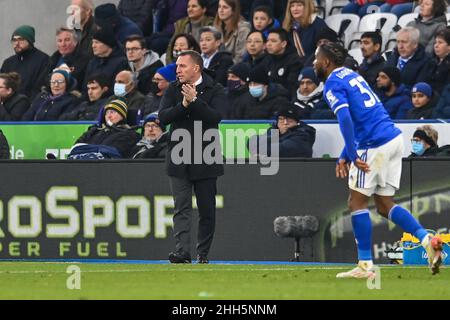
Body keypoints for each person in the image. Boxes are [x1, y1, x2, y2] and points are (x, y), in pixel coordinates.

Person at [313, 42, 443, 277]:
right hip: (392, 138)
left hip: (374, 146)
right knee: (384, 205)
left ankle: (365, 266)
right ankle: (426, 240)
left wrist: (352, 155)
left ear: (326, 62)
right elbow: (364, 115)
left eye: (316, 59)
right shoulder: (352, 75)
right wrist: (345, 153)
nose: (314, 63)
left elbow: (345, 119)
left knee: (356, 203)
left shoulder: (332, 83)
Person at [159, 50, 226, 264]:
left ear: (196, 68)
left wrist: (195, 101)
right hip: (179, 156)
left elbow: (215, 117)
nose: (177, 70)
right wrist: (184, 105)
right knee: (181, 208)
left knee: (206, 209)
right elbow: (163, 117)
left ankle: (203, 254)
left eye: (182, 66)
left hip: (206, 156)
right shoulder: (172, 90)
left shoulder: (215, 89)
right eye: (177, 66)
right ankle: (182, 252)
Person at [73, 99, 140, 158]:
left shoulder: (130, 134)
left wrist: (90, 149)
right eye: (106, 113)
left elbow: (112, 152)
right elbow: (76, 146)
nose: (108, 116)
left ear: (122, 116)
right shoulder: (95, 130)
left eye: (112, 112)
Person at [1, 25, 49, 100]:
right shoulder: (8, 62)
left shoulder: (44, 60)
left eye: (21, 39)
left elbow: (40, 88)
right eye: (14, 40)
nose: (17, 43)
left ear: (30, 41)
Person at [248, 104, 316, 157]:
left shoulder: (303, 134)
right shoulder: (273, 131)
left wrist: (261, 151)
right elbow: (252, 142)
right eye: (281, 119)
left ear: (296, 122)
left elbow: (282, 150)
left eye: (289, 119)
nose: (285, 122)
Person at [47, 27, 91, 91]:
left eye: (67, 40)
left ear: (75, 42)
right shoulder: (53, 59)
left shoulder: (84, 60)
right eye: (60, 41)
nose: (63, 44)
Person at [265, 28, 303, 98]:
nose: (268, 44)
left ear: (283, 44)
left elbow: (291, 87)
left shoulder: (294, 61)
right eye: (267, 41)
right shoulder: (267, 59)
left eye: (273, 41)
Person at [418, 28, 450, 95]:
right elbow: (421, 81)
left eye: (440, 42)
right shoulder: (431, 61)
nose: (436, 45)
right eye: (435, 42)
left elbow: (445, 90)